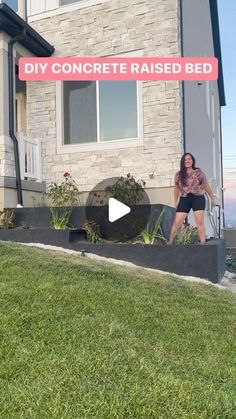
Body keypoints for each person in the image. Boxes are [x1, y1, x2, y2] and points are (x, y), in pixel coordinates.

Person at [169, 152, 216, 244]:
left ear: (192, 161)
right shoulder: (178, 175)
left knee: (200, 222)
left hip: (197, 198)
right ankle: (170, 243)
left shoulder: (198, 172)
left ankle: (202, 243)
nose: (187, 161)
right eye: (185, 159)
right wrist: (176, 202)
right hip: (184, 199)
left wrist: (212, 198)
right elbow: (176, 188)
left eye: (189, 159)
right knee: (177, 222)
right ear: (182, 162)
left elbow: (206, 185)